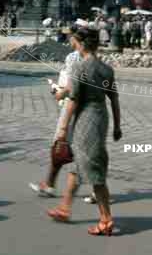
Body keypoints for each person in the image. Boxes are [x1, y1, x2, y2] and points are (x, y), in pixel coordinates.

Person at [47, 28, 122, 235]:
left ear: (80, 44)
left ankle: (106, 219)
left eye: (74, 40)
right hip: (101, 118)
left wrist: (62, 128)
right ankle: (65, 208)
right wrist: (117, 125)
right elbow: (114, 99)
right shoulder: (106, 69)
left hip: (85, 120)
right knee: (81, 163)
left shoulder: (80, 67)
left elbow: (73, 100)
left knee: (93, 169)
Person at [29, 25, 81, 197]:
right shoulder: (85, 57)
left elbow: (73, 86)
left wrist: (59, 92)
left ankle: (50, 185)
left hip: (71, 105)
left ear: (76, 38)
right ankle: (49, 184)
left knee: (61, 145)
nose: (67, 39)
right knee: (68, 147)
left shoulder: (74, 57)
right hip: (76, 105)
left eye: (70, 36)